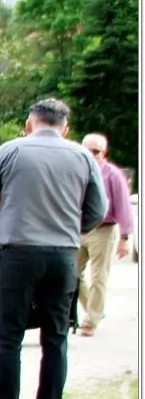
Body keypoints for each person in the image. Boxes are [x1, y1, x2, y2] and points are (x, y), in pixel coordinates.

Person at [0, 98, 105, 399]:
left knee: (9, 339)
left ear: (30, 123)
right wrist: (70, 227)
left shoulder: (11, 150)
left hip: (17, 252)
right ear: (66, 128)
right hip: (62, 254)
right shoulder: (82, 156)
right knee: (56, 337)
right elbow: (97, 210)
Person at [75, 133, 134, 336]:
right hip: (78, 228)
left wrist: (125, 237)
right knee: (72, 274)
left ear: (104, 153)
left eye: (96, 151)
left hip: (103, 229)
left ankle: (91, 320)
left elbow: (123, 206)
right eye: (87, 150)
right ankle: (93, 310)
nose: (91, 155)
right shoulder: (75, 169)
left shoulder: (112, 174)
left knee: (99, 275)